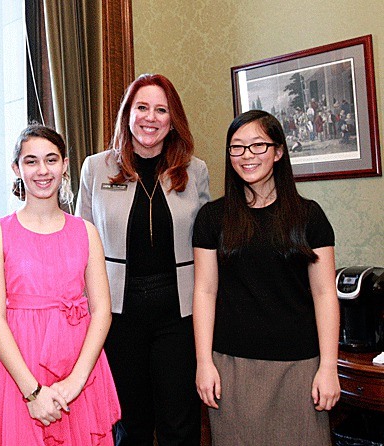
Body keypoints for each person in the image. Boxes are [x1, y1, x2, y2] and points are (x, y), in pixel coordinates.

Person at [76, 73, 210, 445]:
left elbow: (207, 246)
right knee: (128, 423)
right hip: (117, 313)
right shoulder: (96, 167)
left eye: (161, 109)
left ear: (173, 119)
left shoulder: (194, 170)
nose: (150, 118)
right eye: (142, 107)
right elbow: (80, 243)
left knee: (178, 424)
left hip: (178, 314)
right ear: (127, 115)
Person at [192, 110, 340, 445]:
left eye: (258, 145)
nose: (247, 156)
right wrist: (204, 362)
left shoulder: (309, 216)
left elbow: (324, 293)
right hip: (231, 366)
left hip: (299, 366)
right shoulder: (212, 218)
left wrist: (328, 367)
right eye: (237, 147)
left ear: (278, 151)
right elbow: (204, 291)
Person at [0, 124, 120, 445]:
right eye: (31, 161)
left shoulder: (86, 232)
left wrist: (75, 383)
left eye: (51, 160)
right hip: (18, 375)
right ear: (17, 168)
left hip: (79, 370)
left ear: (65, 165)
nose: (42, 170)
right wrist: (33, 392)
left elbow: (102, 310)